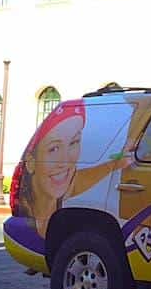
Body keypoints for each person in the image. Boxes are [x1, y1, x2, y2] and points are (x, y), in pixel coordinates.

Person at [19, 100, 133, 237]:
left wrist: (117, 163)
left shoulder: (66, 188)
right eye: (53, 148)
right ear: (31, 162)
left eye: (74, 142)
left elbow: (83, 178)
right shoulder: (26, 208)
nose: (65, 161)